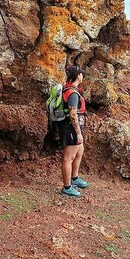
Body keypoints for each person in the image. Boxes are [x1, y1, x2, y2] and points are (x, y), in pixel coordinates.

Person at [58, 65, 90, 197]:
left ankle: (74, 178)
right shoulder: (73, 93)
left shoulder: (69, 89)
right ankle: (67, 187)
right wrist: (77, 133)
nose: (83, 76)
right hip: (70, 128)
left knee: (79, 151)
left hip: (72, 127)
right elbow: (72, 114)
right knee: (68, 158)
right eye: (81, 74)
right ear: (78, 76)